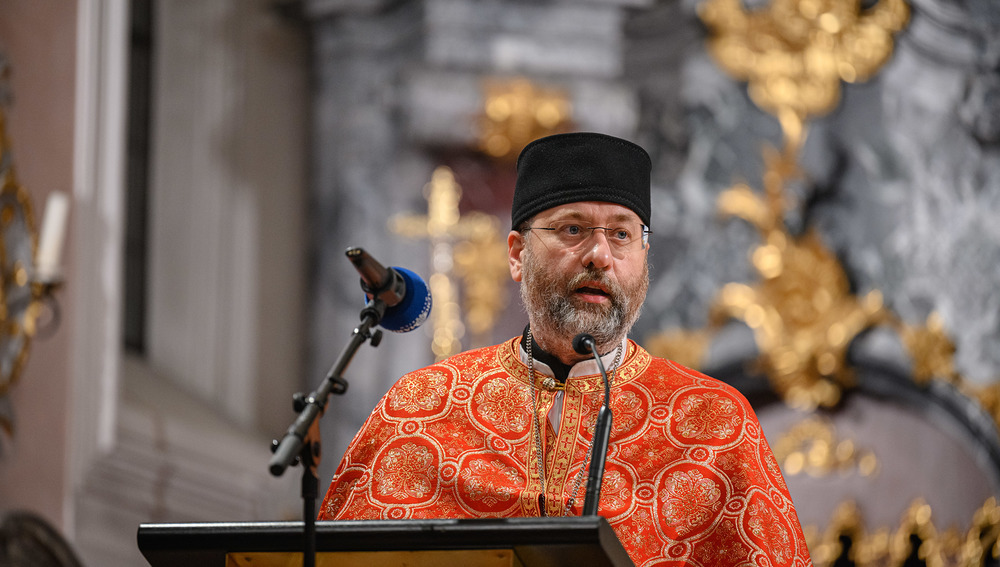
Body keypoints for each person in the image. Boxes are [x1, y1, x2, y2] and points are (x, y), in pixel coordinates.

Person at [319, 132, 812, 566]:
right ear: (518, 254)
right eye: (572, 229)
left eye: (621, 234)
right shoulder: (424, 407)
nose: (599, 255)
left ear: (644, 259)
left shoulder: (715, 424)